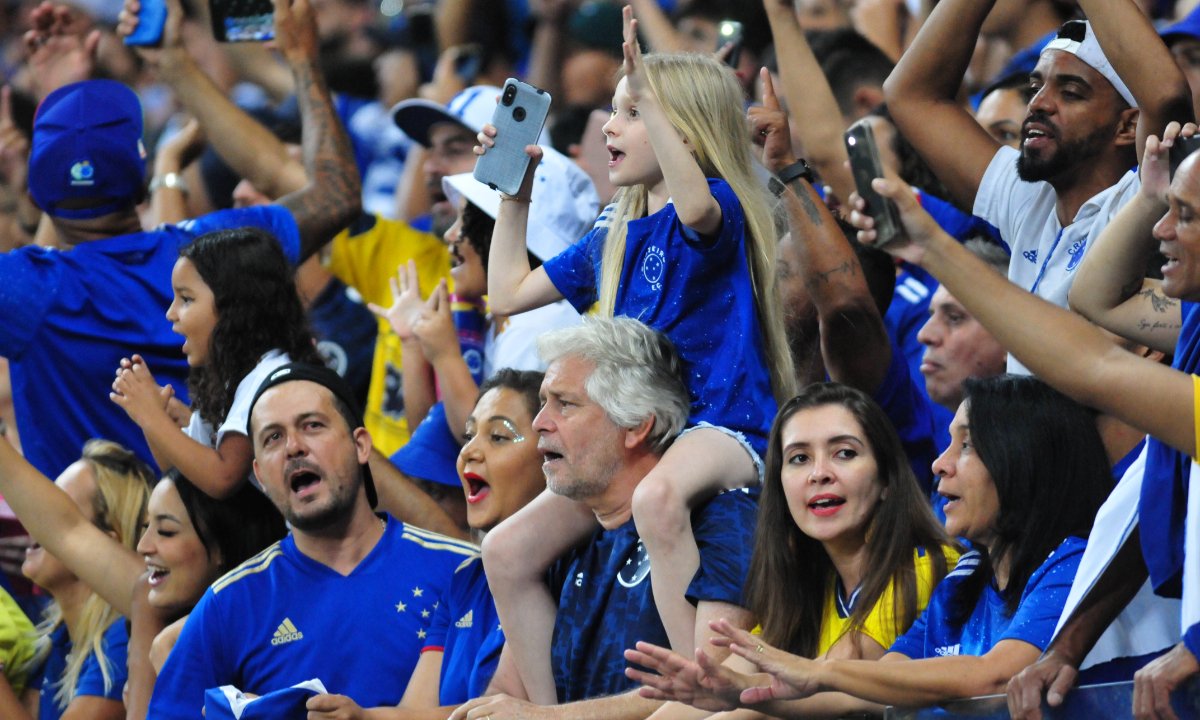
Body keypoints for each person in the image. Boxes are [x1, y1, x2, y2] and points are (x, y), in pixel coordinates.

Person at [480, 7, 794, 699]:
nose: (608, 128)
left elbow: (698, 216)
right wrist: (514, 193)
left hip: (727, 428)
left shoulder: (717, 206)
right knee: (505, 550)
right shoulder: (612, 235)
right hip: (647, 436)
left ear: (681, 132)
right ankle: (548, 709)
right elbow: (503, 291)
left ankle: (699, 688)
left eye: (628, 114)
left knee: (656, 498)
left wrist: (650, 93)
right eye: (616, 112)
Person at [838, 146, 1200, 718]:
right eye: (1168, 210)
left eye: (1187, 214)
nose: (1161, 230)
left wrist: (935, 246)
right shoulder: (1192, 325)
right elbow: (1094, 298)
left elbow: (1092, 365)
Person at [4, 0, 359, 481]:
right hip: (228, 536)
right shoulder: (219, 252)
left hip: (91, 547)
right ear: (140, 175)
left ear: (37, 191)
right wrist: (302, 58)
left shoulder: (25, 291)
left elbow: (54, 254)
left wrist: (61, 109)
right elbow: (336, 196)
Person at [703, 375, 1111, 710]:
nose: (940, 463)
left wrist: (817, 673)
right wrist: (737, 692)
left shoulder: (1072, 565)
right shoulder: (961, 582)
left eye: (966, 445)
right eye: (798, 459)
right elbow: (871, 689)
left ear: (1023, 458)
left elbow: (996, 677)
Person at [451, 317, 757, 720]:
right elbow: (512, 693)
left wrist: (553, 719)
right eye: (544, 402)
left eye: (565, 404)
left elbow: (711, 693)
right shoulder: (555, 547)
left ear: (635, 426)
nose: (541, 422)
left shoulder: (724, 520)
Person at [149, 363, 478, 717]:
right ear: (260, 475)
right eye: (273, 437)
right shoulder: (228, 602)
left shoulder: (463, 570)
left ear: (361, 446)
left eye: (312, 426)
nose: (293, 447)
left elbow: (511, 704)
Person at [884, 0, 1191, 373]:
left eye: (1071, 92)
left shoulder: (1149, 195)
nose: (1039, 104)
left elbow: (1166, 95)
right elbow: (911, 95)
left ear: (1128, 127)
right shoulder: (1030, 199)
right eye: (1036, 86)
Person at [626, 383, 959, 719]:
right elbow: (734, 680)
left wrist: (735, 692)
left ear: (886, 479)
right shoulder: (804, 586)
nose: (819, 474)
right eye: (799, 458)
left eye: (844, 453)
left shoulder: (923, 567)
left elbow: (816, 686)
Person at [307, 369, 547, 719]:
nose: (469, 453)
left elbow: (509, 711)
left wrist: (367, 718)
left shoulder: (570, 573)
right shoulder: (465, 580)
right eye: (468, 436)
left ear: (550, 454)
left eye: (497, 437)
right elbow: (415, 712)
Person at [110, 227, 322, 498]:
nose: (171, 313)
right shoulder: (231, 380)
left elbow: (222, 478)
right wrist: (156, 418)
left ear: (236, 309)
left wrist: (151, 417)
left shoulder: (272, 376)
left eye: (186, 299)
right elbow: (182, 476)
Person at [10, 440, 153, 720]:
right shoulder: (58, 639)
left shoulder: (124, 638)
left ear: (104, 544)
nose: (35, 520)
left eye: (58, 512)